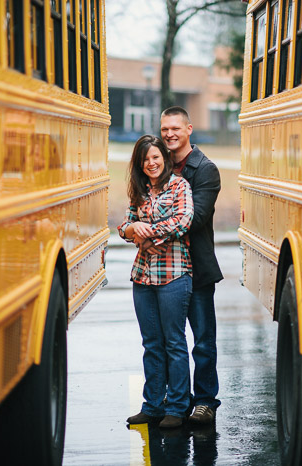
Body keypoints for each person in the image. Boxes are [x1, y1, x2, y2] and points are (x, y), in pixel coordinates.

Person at [118, 135, 195, 429]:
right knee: (151, 344)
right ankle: (152, 406)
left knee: (174, 342)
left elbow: (183, 219)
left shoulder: (179, 186)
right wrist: (132, 230)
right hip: (143, 276)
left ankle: (176, 406)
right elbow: (124, 225)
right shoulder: (138, 191)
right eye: (145, 159)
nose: (150, 163)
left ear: (164, 158)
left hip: (174, 274)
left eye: (155, 158)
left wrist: (147, 234)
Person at [160, 106, 223, 424]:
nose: (169, 134)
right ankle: (177, 398)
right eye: (164, 129)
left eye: (175, 128)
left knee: (202, 340)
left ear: (189, 129)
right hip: (165, 270)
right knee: (169, 340)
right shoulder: (157, 165)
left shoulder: (205, 170)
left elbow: (195, 218)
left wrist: (151, 225)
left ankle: (206, 401)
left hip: (196, 268)